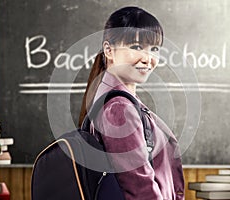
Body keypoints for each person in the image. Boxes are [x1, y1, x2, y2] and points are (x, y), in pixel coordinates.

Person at [79, 6, 184, 200]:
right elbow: (140, 189)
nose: (148, 59)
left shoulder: (116, 100)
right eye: (136, 47)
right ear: (109, 50)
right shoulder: (119, 109)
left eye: (154, 49)